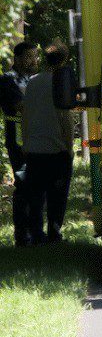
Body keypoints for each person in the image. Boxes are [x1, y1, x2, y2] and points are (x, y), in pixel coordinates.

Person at [22, 41, 74, 244]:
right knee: (57, 194)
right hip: (56, 148)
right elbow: (66, 119)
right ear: (64, 59)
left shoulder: (33, 82)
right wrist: (69, 148)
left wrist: (26, 142)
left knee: (35, 194)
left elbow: (26, 115)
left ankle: (36, 233)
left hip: (34, 147)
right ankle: (54, 231)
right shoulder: (62, 81)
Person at [0, 41, 39, 246]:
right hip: (19, 139)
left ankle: (37, 231)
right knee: (24, 183)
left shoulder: (35, 79)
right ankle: (22, 235)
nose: (34, 60)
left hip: (39, 137)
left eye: (36, 56)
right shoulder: (7, 80)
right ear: (17, 59)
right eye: (29, 56)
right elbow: (19, 106)